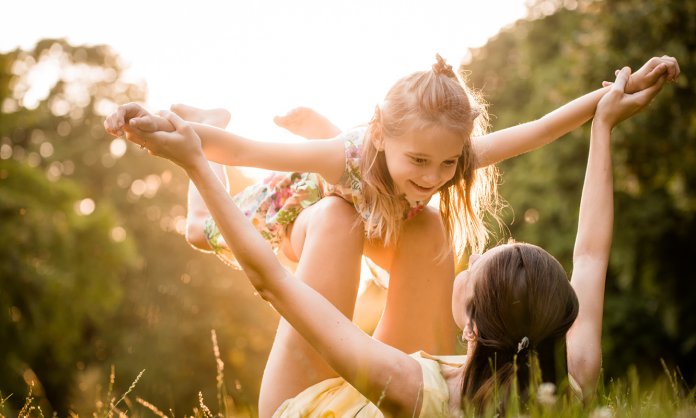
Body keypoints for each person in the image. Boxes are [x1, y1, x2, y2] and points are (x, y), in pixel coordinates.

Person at [105, 55, 678, 415]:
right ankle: (313, 156)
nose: (435, 178)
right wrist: (605, 111)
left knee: (204, 230)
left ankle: (250, 148)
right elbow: (589, 250)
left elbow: (267, 266)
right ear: (561, 320)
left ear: (472, 320)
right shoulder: (568, 379)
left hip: (338, 216)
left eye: (444, 165)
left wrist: (181, 144)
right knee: (410, 221)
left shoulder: (412, 385)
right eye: (421, 162)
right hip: (320, 199)